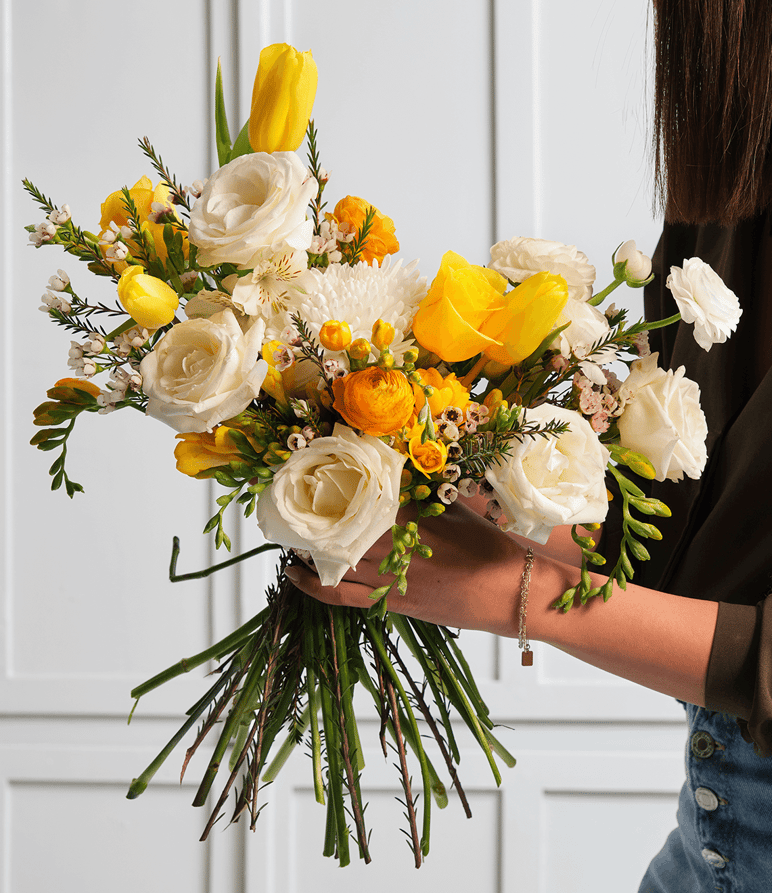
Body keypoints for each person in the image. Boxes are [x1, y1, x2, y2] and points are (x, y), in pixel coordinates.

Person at [286, 1, 772, 889]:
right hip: (717, 824)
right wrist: (459, 472)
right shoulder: (741, 164)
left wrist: (516, 592)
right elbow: (676, 541)